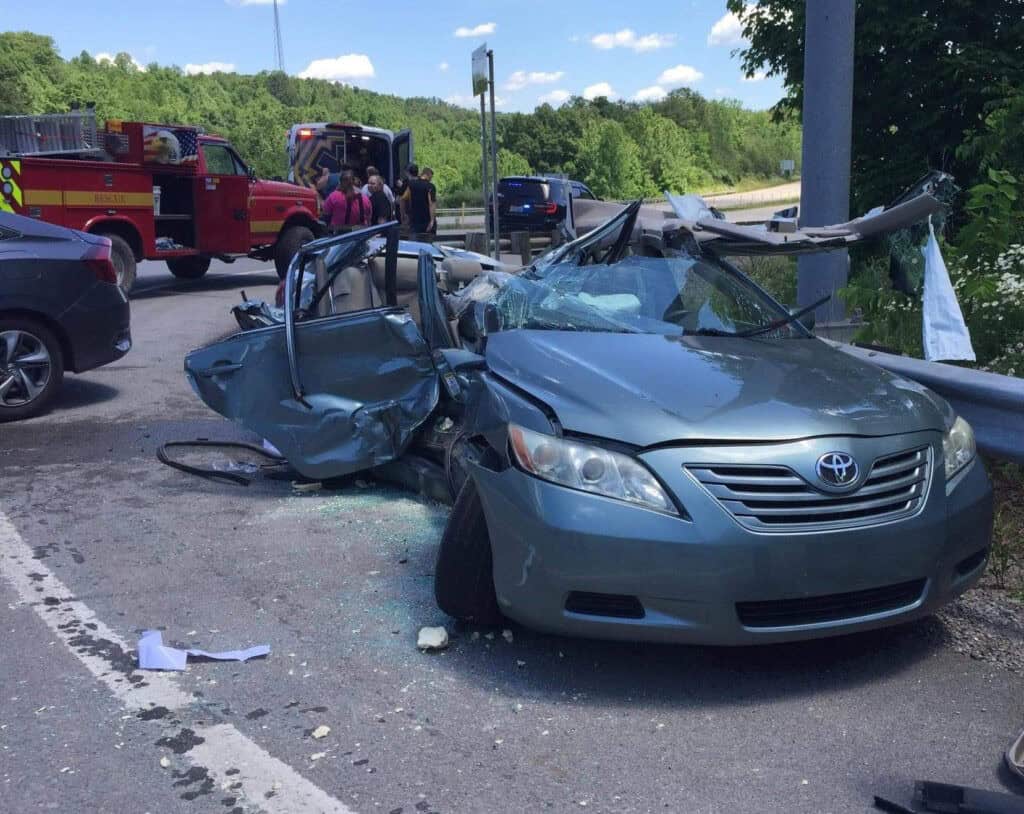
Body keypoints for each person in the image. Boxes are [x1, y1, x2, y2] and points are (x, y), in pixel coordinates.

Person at [400, 165, 437, 237]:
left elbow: (402, 199)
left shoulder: (411, 184)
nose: (430, 179)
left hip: (414, 221)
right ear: (428, 175)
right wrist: (432, 220)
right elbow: (431, 203)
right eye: (431, 177)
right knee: (428, 244)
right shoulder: (430, 186)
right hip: (426, 221)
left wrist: (403, 215)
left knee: (415, 243)